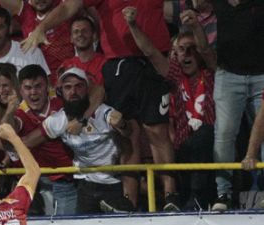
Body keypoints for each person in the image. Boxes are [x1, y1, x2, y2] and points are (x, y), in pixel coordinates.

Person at [22, 0, 179, 212]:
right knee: (127, 132)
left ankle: (171, 196)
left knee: (157, 130)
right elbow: (69, 6)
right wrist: (42, 27)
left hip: (154, 57)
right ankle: (128, 202)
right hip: (119, 63)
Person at [123, 6, 217, 210]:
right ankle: (189, 200)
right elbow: (150, 52)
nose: (187, 54)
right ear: (175, 54)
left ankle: (200, 199)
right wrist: (132, 25)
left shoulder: (212, 72)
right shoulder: (175, 75)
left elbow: (206, 50)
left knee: (204, 135)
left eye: (192, 48)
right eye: (181, 49)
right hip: (184, 152)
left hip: (211, 149)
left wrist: (196, 27)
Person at [25, 67, 131, 213]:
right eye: (67, 87)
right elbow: (27, 142)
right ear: (61, 92)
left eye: (78, 86)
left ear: (87, 89)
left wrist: (122, 124)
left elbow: (128, 132)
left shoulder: (102, 112)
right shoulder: (58, 120)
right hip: (85, 185)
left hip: (113, 183)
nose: (73, 92)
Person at [207, 0, 264, 211]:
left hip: (262, 75)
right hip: (228, 75)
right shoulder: (219, 4)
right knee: (224, 133)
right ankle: (223, 193)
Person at [13, 64, 76, 215]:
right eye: (28, 88)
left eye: (38, 86)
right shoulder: (17, 115)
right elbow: (8, 131)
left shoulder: (62, 104)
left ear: (47, 86)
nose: (33, 92)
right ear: (20, 90)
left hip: (66, 180)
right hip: (34, 182)